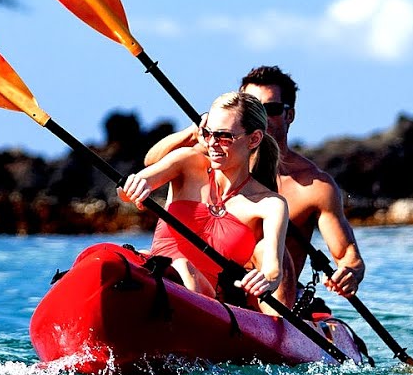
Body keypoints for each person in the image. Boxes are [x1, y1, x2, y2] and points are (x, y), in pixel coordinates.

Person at [143, 65, 366, 302]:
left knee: (271, 253)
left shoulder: (314, 186)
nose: (260, 115)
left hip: (267, 297)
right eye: (253, 106)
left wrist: (349, 273)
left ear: (289, 115)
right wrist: (194, 132)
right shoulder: (211, 154)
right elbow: (153, 163)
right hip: (205, 285)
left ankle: (275, 331)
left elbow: (347, 256)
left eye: (270, 109)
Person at [117, 91, 288, 311]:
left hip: (207, 304)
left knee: (184, 267)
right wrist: (131, 187)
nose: (212, 144)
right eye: (208, 134)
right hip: (155, 277)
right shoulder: (187, 162)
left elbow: (273, 270)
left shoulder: (270, 205)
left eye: (224, 136)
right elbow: (125, 190)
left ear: (254, 139)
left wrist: (267, 281)